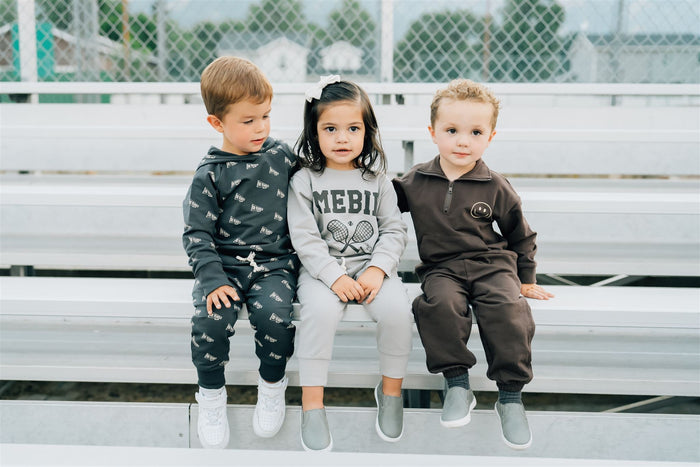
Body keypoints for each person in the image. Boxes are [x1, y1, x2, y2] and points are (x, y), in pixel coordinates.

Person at [393, 79, 554, 450]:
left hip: (492, 266)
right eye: (452, 131)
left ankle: (510, 397)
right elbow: (383, 205)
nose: (463, 141)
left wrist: (526, 278)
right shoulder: (416, 181)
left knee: (508, 308)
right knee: (438, 305)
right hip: (442, 269)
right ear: (433, 133)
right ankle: (457, 385)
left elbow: (521, 235)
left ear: (490, 137)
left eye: (475, 132)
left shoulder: (495, 185)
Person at [287, 76, 414, 452]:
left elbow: (394, 230)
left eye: (353, 128)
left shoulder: (378, 181)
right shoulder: (304, 181)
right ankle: (312, 403)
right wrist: (333, 277)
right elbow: (305, 238)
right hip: (321, 272)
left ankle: (391, 392)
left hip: (372, 269)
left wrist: (377, 269)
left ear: (367, 131)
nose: (342, 138)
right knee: (320, 314)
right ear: (314, 132)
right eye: (330, 128)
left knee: (397, 312)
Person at [182, 56, 300, 449]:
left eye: (265, 116)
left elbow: (317, 178)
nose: (261, 128)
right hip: (224, 268)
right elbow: (197, 233)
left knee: (275, 319)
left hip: (274, 266)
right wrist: (213, 279)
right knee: (211, 322)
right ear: (217, 123)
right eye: (248, 121)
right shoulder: (210, 174)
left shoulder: (281, 156)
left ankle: (272, 385)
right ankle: (211, 394)